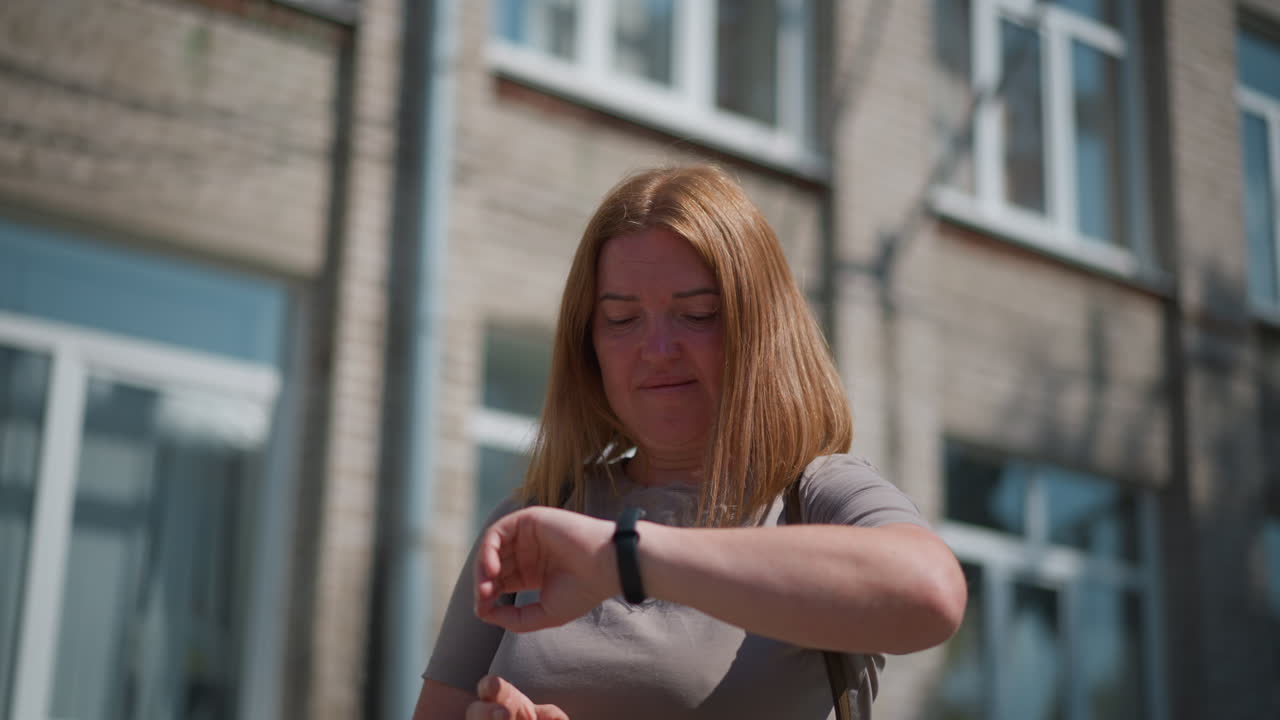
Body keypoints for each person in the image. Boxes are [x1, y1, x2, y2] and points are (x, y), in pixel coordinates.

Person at [412, 165, 966, 720]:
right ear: (590, 346)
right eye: (622, 318)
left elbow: (931, 594)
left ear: (761, 331)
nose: (657, 348)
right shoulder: (540, 514)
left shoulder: (817, 496)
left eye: (697, 314)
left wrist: (624, 558)